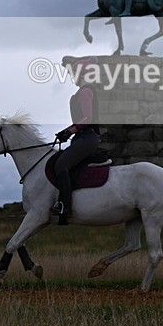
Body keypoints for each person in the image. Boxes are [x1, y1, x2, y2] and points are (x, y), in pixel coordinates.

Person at [51, 57, 101, 225]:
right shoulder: (83, 91)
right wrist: (66, 131)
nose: (73, 77)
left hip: (87, 137)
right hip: (82, 136)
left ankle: (66, 206)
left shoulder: (86, 91)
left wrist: (70, 131)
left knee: (61, 165)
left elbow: (88, 118)